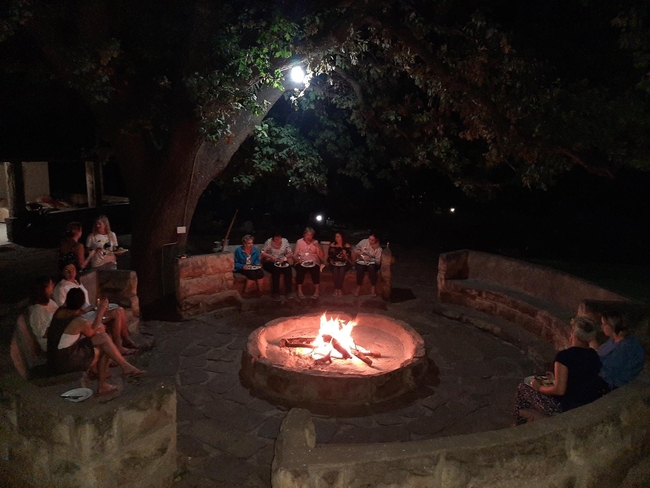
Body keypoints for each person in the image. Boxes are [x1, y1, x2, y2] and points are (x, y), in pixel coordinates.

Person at [47, 288, 144, 395]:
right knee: (103, 348)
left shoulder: (60, 311)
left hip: (57, 355)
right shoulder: (79, 321)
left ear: (67, 300)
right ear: (82, 304)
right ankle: (103, 385)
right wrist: (100, 311)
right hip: (65, 361)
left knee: (103, 337)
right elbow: (91, 333)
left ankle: (125, 367)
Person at [513, 317, 607, 425]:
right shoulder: (593, 355)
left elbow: (559, 390)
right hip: (585, 401)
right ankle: (530, 419)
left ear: (574, 334)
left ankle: (519, 423)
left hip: (565, 408)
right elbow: (579, 377)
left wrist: (539, 387)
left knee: (522, 388)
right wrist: (555, 378)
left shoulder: (564, 356)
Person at [53, 263, 139, 355]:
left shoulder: (76, 282)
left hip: (90, 310)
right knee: (116, 312)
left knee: (120, 309)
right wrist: (90, 310)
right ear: (62, 272)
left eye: (73, 269)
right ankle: (118, 346)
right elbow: (67, 312)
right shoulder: (62, 288)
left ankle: (126, 340)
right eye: (67, 271)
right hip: (83, 316)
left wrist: (97, 306)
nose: (71, 273)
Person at [598, 311, 645, 389]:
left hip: (614, 383)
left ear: (612, 326)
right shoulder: (614, 339)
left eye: (604, 324)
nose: (601, 327)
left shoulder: (626, 346)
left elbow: (610, 370)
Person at [261, 230, 294, 301]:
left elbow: (290, 253)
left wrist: (284, 258)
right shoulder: (269, 242)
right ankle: (275, 292)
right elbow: (262, 253)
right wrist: (270, 256)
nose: (278, 240)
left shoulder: (285, 241)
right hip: (270, 261)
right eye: (276, 239)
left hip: (281, 260)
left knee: (288, 269)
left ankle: (288, 292)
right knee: (276, 270)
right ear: (273, 238)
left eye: (279, 238)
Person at [27, 275, 58, 352]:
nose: (53, 286)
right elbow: (43, 334)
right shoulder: (37, 311)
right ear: (45, 289)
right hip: (50, 343)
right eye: (51, 284)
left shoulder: (50, 302)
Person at [293, 227, 325, 299]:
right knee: (300, 269)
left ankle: (317, 290)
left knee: (315, 270)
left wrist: (318, 246)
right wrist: (298, 260)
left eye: (311, 235)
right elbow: (294, 255)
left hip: (313, 262)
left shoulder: (315, 242)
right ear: (304, 235)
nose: (309, 237)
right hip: (301, 261)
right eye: (307, 235)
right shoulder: (299, 242)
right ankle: (299, 290)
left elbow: (322, 256)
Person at [353, 231, 383, 297]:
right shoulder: (364, 242)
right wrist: (358, 251)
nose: (370, 241)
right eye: (369, 239)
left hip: (372, 264)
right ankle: (358, 287)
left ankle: (373, 287)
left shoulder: (378, 248)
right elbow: (356, 247)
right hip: (361, 261)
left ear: (376, 240)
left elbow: (378, 261)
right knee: (360, 268)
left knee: (371, 268)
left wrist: (370, 259)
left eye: (372, 240)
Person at [327, 232, 353, 296]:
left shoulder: (346, 246)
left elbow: (349, 259)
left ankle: (340, 289)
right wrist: (331, 261)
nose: (336, 238)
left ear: (342, 238)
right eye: (336, 237)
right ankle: (336, 289)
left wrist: (345, 254)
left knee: (342, 270)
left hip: (344, 263)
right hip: (334, 263)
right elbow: (330, 257)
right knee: (335, 269)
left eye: (338, 237)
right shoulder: (332, 245)